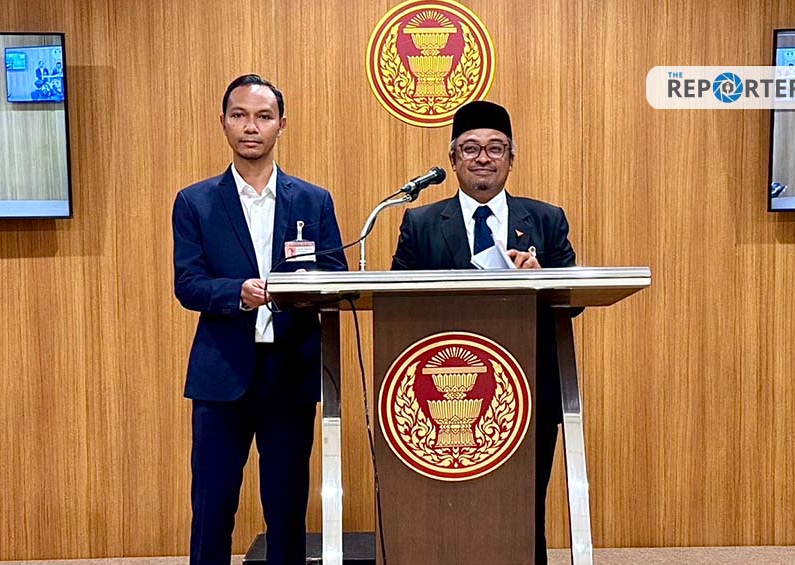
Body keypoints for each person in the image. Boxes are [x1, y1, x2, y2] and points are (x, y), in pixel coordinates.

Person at [391, 100, 577, 564]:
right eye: (471, 148)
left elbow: (573, 300)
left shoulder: (546, 219)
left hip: (527, 387)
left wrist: (544, 279)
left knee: (523, 505)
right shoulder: (420, 223)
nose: (483, 158)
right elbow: (397, 298)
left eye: (496, 148)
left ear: (511, 158)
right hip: (441, 393)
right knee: (445, 507)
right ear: (453, 159)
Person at [172, 74, 348, 565]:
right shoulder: (195, 201)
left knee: (287, 510)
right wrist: (239, 293)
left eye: (263, 117)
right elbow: (188, 283)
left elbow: (336, 274)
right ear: (224, 123)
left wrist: (304, 289)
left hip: (289, 373)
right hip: (221, 376)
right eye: (240, 116)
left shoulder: (313, 200)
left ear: (281, 125)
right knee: (212, 508)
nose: (251, 127)